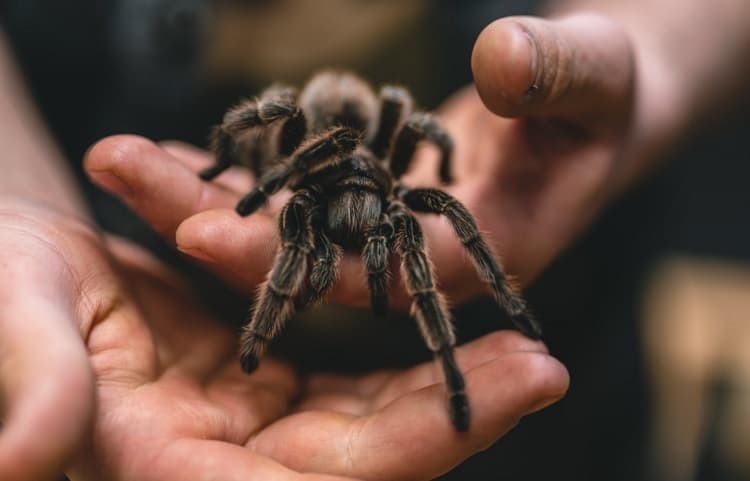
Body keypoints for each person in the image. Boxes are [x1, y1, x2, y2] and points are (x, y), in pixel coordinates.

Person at [1, 1, 749, 480]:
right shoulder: (306, 186)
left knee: (448, 234)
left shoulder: (395, 183)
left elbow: (419, 138)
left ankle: (470, 358)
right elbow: (275, 143)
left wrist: (654, 65)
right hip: (179, 309)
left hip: (575, 374)